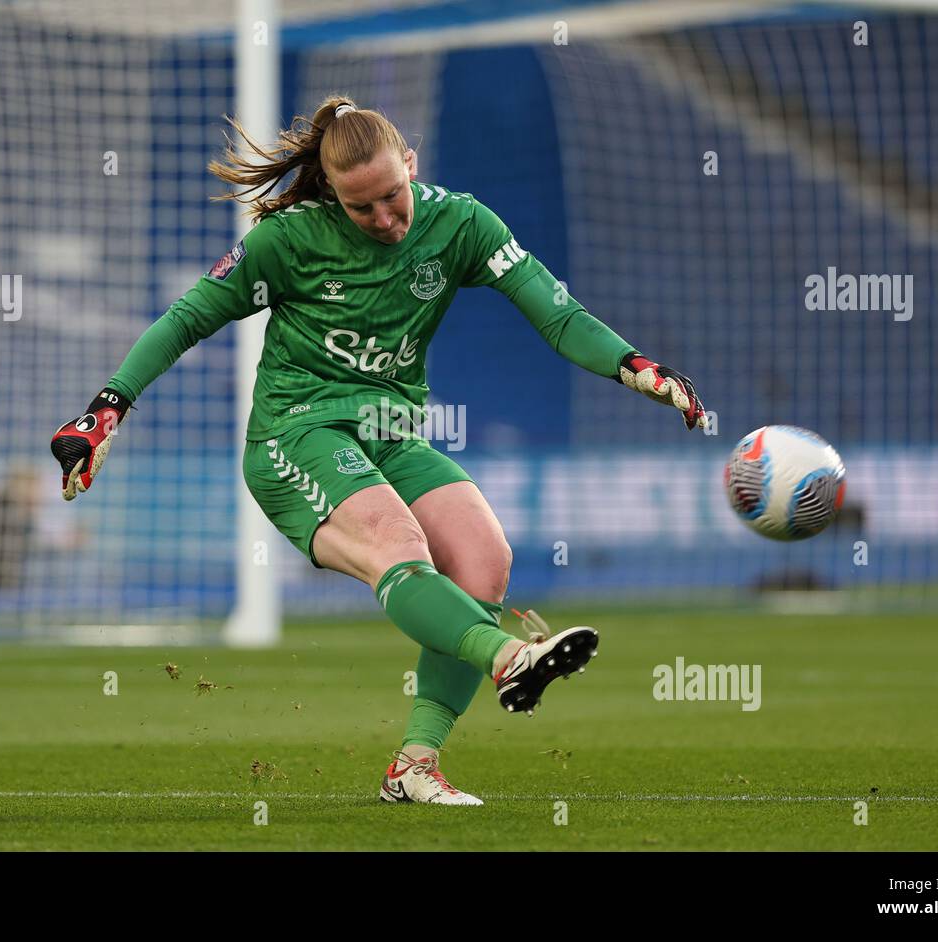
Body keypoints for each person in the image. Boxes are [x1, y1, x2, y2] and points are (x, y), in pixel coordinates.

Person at [51, 96, 706, 806]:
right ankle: (511, 657)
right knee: (399, 543)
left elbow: (554, 309)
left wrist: (632, 363)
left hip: (391, 434)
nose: (387, 221)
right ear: (333, 194)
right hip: (295, 436)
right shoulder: (289, 241)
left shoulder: (460, 222)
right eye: (364, 210)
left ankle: (414, 767)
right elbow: (185, 320)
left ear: (412, 166)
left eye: (394, 197)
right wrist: (107, 408)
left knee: (485, 560)